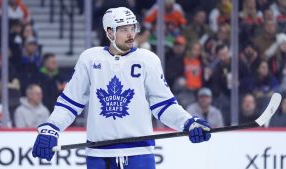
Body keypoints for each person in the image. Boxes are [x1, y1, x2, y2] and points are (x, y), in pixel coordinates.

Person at [32, 7, 211, 169]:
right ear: (110, 32)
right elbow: (70, 102)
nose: (131, 34)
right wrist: (51, 128)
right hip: (99, 154)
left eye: (133, 28)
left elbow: (163, 105)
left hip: (139, 154)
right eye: (124, 29)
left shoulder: (148, 60)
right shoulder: (90, 58)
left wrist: (188, 122)